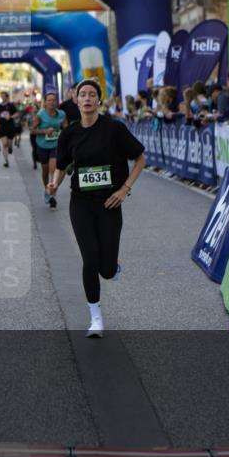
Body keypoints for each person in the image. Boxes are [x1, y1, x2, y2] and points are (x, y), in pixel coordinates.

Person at [47, 79, 146, 337]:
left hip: (109, 203)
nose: (87, 98)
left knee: (107, 270)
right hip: (81, 203)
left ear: (98, 101)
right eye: (83, 94)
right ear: (76, 100)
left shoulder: (114, 129)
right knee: (89, 259)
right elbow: (62, 164)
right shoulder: (70, 133)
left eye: (92, 94)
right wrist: (55, 183)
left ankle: (113, 263)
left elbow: (140, 158)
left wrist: (124, 189)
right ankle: (96, 319)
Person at [31, 91, 67, 210]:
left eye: (54, 100)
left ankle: (52, 195)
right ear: (45, 102)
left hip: (56, 145)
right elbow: (32, 131)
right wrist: (44, 132)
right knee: (45, 171)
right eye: (49, 100)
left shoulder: (62, 114)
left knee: (54, 169)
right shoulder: (40, 115)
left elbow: (66, 128)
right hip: (42, 145)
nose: (52, 102)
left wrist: (65, 131)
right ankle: (47, 189)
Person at [0, 90, 18, 168]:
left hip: (10, 126)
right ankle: (6, 161)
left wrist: (11, 117)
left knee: (9, 143)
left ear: (7, 97)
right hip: (2, 127)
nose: (2, 97)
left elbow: (17, 114)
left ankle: (11, 147)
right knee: (4, 144)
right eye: (1, 96)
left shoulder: (11, 105)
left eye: (3, 96)